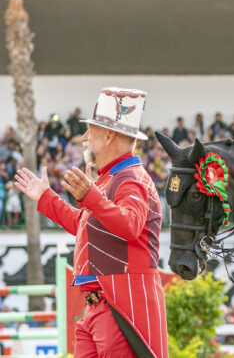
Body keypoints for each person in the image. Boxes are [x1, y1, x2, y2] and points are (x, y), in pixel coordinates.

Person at [14, 88, 167, 357]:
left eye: (92, 130)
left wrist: (91, 197)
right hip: (102, 306)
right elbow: (86, 226)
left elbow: (130, 225)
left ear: (109, 135)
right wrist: (46, 198)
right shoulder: (116, 178)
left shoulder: (130, 179)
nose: (84, 138)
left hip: (119, 308)